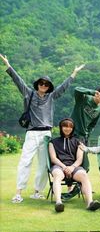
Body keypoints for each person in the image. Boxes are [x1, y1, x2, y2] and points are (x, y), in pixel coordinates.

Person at [0, 53, 84, 203]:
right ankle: (18, 192)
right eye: (41, 83)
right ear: (37, 84)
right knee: (25, 161)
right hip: (32, 133)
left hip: (46, 134)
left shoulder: (51, 97)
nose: (43, 86)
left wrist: (74, 73)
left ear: (49, 87)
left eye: (46, 84)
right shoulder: (29, 94)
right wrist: (8, 65)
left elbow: (63, 88)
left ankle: (37, 191)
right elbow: (18, 81)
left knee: (44, 164)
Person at [49, 118, 100, 212]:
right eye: (65, 126)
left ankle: (90, 203)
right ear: (61, 127)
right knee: (57, 175)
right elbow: (53, 158)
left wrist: (72, 167)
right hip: (59, 166)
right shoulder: (53, 142)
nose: (67, 129)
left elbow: (79, 158)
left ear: (73, 128)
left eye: (70, 127)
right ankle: (59, 203)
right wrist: (64, 167)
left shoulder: (78, 141)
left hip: (74, 166)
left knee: (84, 175)